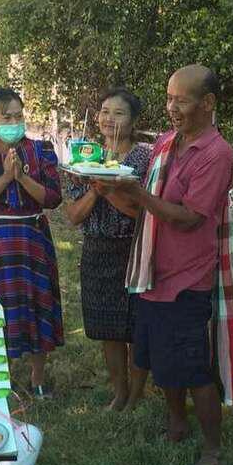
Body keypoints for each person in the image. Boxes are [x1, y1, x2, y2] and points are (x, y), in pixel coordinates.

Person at [105, 65, 233, 465]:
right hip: (153, 272)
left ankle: (212, 450)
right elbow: (146, 205)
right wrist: (109, 188)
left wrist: (138, 194)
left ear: (208, 103)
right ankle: (176, 424)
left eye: (182, 100)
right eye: (169, 99)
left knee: (193, 367)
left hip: (187, 279)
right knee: (161, 359)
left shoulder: (216, 154)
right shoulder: (167, 142)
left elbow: (189, 218)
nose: (172, 108)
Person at [0, 87, 64, 397]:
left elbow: (52, 198)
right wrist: (5, 177)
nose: (14, 122)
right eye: (7, 117)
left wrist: (21, 177)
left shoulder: (40, 151)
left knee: (37, 302)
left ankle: (37, 377)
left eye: (19, 116)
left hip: (32, 237)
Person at [63, 88, 152, 410]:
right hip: (97, 250)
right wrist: (95, 190)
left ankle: (137, 394)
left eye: (119, 113)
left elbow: (142, 211)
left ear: (134, 121)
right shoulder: (83, 158)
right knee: (107, 327)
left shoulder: (144, 159)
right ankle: (120, 392)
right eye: (104, 111)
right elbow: (74, 216)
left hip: (134, 249)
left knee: (138, 325)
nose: (109, 119)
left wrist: (108, 189)